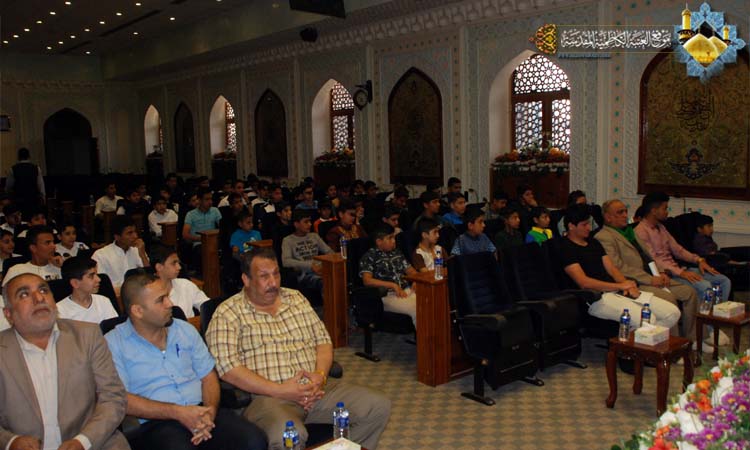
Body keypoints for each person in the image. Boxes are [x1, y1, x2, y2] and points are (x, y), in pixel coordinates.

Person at [206, 248, 391, 449]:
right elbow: (227, 368)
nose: (273, 282)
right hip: (269, 397)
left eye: (276, 274)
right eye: (264, 276)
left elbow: (323, 341)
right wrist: (281, 390)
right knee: (290, 434)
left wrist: (320, 376)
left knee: (377, 406)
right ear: (246, 279)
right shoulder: (227, 313)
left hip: (317, 390)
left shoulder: (296, 298)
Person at [105, 273, 267, 450]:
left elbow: (208, 376)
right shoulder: (114, 343)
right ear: (138, 311)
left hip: (202, 412)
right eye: (161, 300)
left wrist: (210, 411)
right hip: (157, 423)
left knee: (254, 441)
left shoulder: (184, 329)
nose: (170, 303)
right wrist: (178, 412)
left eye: (168, 296)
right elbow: (122, 399)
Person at [0, 272, 128, 450]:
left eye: (43, 290)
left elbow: (113, 398)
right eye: (24, 294)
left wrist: (83, 441)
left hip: (93, 443)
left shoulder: (87, 335)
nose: (39, 298)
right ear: (8, 314)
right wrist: (10, 441)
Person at [559, 204, 680, 330]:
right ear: (571, 226)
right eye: (584, 225)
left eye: (589, 223)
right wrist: (619, 286)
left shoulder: (593, 243)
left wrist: (627, 285)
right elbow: (584, 282)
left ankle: (642, 339)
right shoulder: (564, 247)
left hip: (616, 290)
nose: (589, 228)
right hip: (595, 298)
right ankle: (636, 340)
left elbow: (612, 269)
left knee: (672, 313)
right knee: (648, 319)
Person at [596, 199, 700, 343]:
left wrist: (661, 271)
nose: (625, 215)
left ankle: (692, 339)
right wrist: (650, 279)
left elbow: (649, 256)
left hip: (654, 274)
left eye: (625, 211)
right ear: (608, 217)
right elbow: (618, 267)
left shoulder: (630, 232)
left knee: (689, 292)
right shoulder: (604, 237)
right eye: (620, 212)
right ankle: (672, 343)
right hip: (636, 282)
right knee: (669, 299)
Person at [635, 192, 732, 303]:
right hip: (668, 274)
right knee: (705, 286)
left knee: (724, 281)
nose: (667, 212)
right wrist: (681, 273)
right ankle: (703, 314)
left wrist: (699, 260)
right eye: (664, 208)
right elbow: (653, 260)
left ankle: (719, 312)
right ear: (654, 211)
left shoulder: (661, 227)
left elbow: (678, 250)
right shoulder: (641, 231)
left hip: (679, 269)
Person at [360, 223, 418, 327]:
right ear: (379, 241)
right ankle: (425, 337)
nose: (394, 241)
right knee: (417, 309)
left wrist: (415, 280)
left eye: (394, 237)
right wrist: (392, 285)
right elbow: (367, 280)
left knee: (429, 303)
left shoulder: (397, 252)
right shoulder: (370, 256)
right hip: (387, 296)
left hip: (407, 290)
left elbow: (412, 272)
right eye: (390, 238)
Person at [150, 245, 209, 319]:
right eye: (174, 263)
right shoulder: (147, 294)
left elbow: (207, 306)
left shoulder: (185, 284)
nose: (179, 267)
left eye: (178, 263)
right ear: (159, 267)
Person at [92, 216, 149, 291]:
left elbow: (149, 276)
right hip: (114, 294)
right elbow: (101, 285)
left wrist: (142, 255)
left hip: (138, 292)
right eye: (129, 233)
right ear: (117, 237)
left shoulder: (138, 249)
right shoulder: (101, 255)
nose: (135, 236)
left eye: (135, 232)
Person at [281, 210, 333, 291]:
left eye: (310, 221)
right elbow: (286, 261)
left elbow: (329, 252)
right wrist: (310, 266)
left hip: (320, 269)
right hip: (304, 274)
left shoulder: (314, 236)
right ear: (296, 224)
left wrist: (323, 265)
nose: (310, 224)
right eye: (306, 222)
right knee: (324, 282)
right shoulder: (288, 240)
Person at [57, 256, 118, 324]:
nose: (99, 279)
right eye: (91, 276)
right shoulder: (60, 311)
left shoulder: (103, 301)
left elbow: (115, 327)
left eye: (96, 274)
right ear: (75, 283)